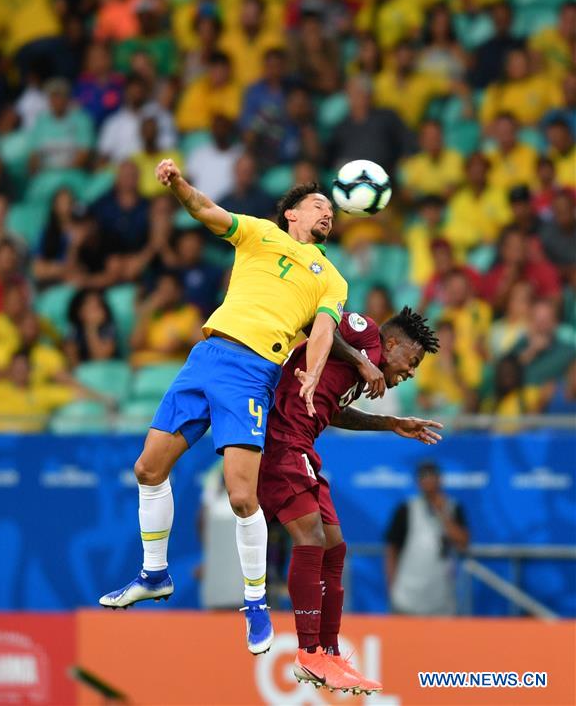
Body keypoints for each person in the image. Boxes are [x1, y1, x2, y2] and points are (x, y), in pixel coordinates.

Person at [100, 167, 372, 659]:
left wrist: (312, 371)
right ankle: (154, 575)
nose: (328, 211)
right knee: (147, 468)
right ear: (291, 213)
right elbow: (206, 211)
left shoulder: (331, 277)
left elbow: (326, 331)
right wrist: (177, 183)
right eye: (318, 205)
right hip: (204, 358)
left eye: (331, 209)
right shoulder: (260, 234)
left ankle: (254, 603)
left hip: (252, 372)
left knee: (243, 497)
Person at [258, 307, 441, 692]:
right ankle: (308, 653)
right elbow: (312, 320)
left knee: (335, 548)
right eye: (412, 361)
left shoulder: (360, 374)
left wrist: (390, 424)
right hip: (280, 439)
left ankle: (329, 652)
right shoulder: (367, 335)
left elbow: (335, 410)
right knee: (311, 539)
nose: (410, 373)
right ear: (391, 344)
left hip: (302, 447)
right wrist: (362, 360)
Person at [385, 462, 469, 616]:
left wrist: (442, 513)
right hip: (407, 594)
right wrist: (392, 586)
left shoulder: (453, 508)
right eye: (424, 478)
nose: (428, 482)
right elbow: (391, 550)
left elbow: (463, 542)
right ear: (418, 482)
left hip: (441, 596)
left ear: (440, 480)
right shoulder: (406, 509)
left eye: (432, 477)